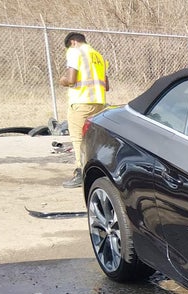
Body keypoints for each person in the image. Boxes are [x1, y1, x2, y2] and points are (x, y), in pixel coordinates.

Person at [59, 32, 109, 188]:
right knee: (94, 140)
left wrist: (63, 80)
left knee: (78, 139)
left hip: (81, 102)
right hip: (99, 103)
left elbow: (71, 79)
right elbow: (106, 85)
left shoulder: (75, 51)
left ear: (73, 42)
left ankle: (81, 173)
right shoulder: (98, 56)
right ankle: (97, 172)